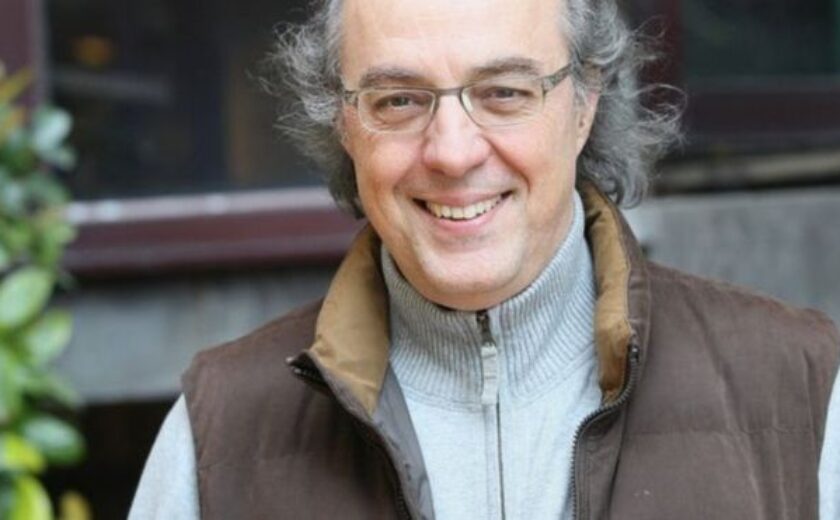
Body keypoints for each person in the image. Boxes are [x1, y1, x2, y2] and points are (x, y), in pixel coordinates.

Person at [129, 0, 840, 518]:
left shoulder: (804, 396)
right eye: (398, 100)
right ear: (343, 123)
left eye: (504, 92)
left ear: (584, 104)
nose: (453, 151)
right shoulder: (216, 437)